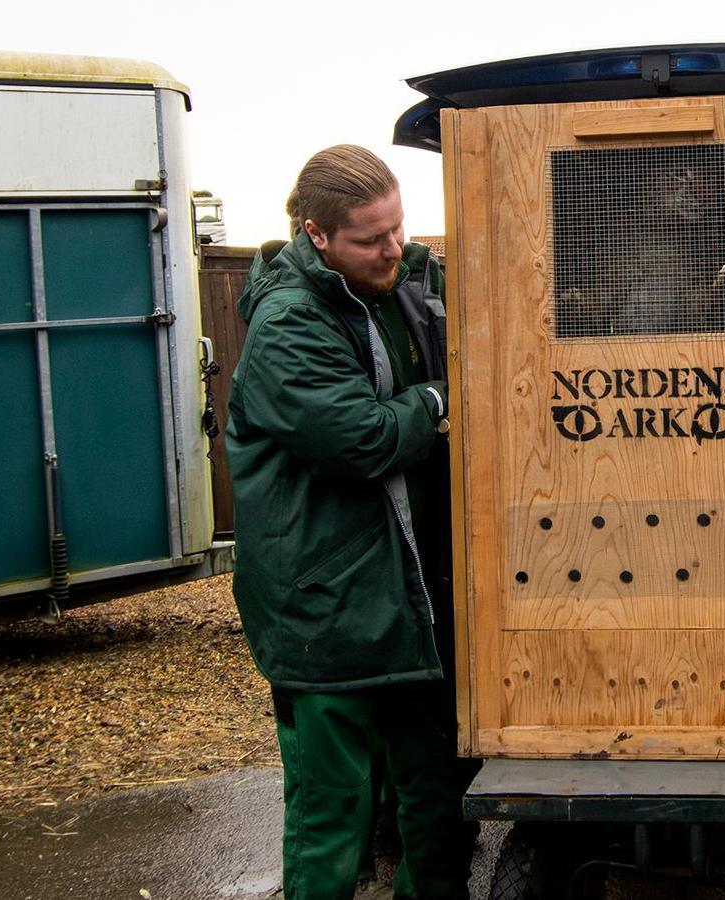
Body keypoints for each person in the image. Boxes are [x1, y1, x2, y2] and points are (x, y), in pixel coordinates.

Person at [226, 144, 472, 900]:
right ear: (318, 235)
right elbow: (360, 440)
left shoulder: (401, 285)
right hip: (324, 607)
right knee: (332, 816)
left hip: (406, 598)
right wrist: (435, 402)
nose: (393, 249)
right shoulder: (287, 323)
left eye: (398, 229)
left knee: (438, 800)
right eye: (371, 239)